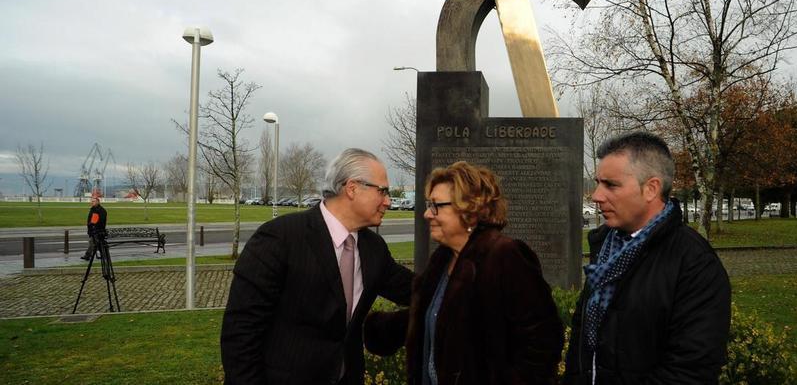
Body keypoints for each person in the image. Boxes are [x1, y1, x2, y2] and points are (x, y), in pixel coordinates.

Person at [220, 148, 414, 384]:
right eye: (382, 191)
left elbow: (417, 289)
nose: (388, 201)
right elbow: (241, 332)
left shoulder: (374, 248)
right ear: (352, 188)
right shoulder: (280, 238)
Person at [365, 161, 563, 384]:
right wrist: (378, 328)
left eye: (436, 205)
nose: (427, 214)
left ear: (470, 209)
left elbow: (541, 347)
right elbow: (439, 317)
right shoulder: (442, 261)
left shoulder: (506, 256)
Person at [563, 132, 731, 384]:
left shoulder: (695, 263)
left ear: (651, 188)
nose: (596, 196)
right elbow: (582, 341)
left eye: (611, 185)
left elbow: (691, 371)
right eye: (598, 183)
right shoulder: (607, 248)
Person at [80, 192, 107, 260]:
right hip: (93, 230)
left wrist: (92, 225)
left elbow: (98, 221)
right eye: (92, 201)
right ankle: (103, 255)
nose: (92, 202)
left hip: (98, 230)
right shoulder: (93, 209)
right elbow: (91, 220)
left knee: (93, 243)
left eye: (94, 201)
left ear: (98, 202)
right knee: (97, 244)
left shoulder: (101, 210)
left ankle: (87, 256)